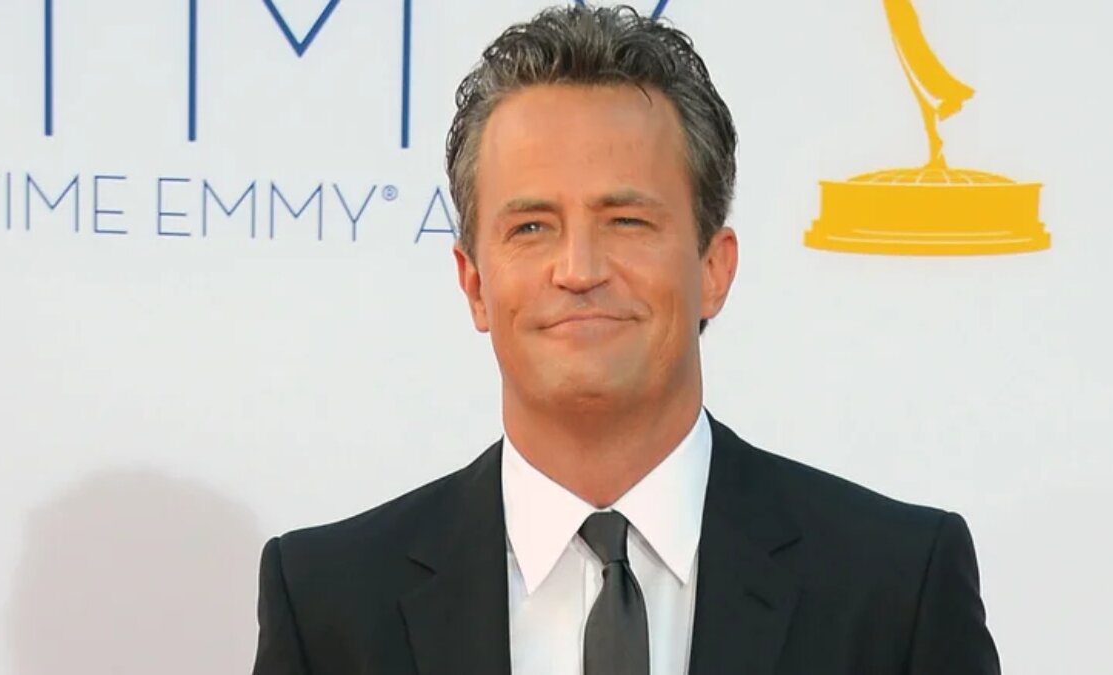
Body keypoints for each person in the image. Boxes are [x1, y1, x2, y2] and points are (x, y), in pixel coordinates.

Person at [251, 5, 1000, 674]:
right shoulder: (330, 603)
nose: (579, 270)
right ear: (474, 283)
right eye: (532, 226)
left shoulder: (894, 586)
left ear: (714, 268)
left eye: (627, 221)